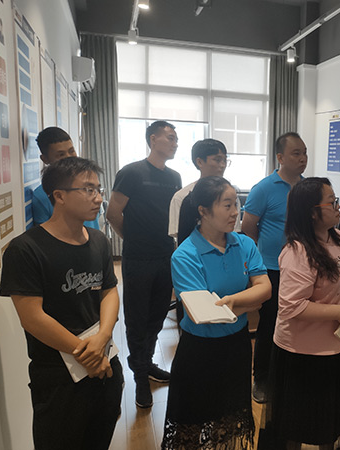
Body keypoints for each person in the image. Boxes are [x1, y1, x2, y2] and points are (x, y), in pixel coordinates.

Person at [0, 157, 123, 450]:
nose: (98, 198)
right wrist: (86, 353)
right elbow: (32, 317)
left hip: (105, 361)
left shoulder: (98, 241)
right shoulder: (25, 249)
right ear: (59, 196)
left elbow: (109, 291)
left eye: (98, 189)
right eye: (88, 190)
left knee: (100, 438)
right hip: (58, 374)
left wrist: (103, 338)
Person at [161, 176, 271, 449]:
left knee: (229, 422)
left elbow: (266, 290)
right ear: (203, 211)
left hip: (237, 346)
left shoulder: (244, 244)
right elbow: (202, 313)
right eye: (227, 205)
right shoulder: (185, 255)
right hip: (200, 351)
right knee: (193, 426)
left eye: (237, 204)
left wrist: (230, 302)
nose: (236, 212)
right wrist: (248, 303)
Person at [257, 177, 340, 450]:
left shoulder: (339, 238)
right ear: (312, 212)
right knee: (297, 425)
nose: (338, 207)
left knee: (332, 420)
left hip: (338, 344)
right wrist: (338, 311)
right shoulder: (298, 251)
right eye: (332, 202)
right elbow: (291, 306)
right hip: (304, 353)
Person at [106, 120, 182, 408]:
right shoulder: (131, 172)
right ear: (153, 139)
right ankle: (139, 377)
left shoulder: (174, 176)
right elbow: (113, 213)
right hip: (138, 257)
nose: (175, 143)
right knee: (137, 318)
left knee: (157, 315)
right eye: (170, 138)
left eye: (176, 139)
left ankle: (145, 363)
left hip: (165, 255)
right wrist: (133, 239)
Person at [241, 131, 308, 403]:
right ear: (280, 157)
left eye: (305, 153)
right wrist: (261, 257)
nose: (303, 158)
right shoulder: (263, 188)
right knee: (270, 322)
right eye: (296, 153)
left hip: (303, 268)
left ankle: (290, 374)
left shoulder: (307, 188)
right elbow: (248, 227)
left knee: (299, 320)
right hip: (272, 268)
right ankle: (262, 377)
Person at [168, 138, 240, 240]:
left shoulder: (230, 195)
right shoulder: (181, 197)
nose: (222, 165)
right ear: (200, 162)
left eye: (225, 160)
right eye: (217, 160)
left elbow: (234, 233)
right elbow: (179, 236)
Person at [33, 126, 99, 229]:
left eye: (71, 151)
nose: (69, 158)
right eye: (61, 155)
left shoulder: (89, 182)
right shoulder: (41, 196)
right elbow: (44, 234)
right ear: (45, 159)